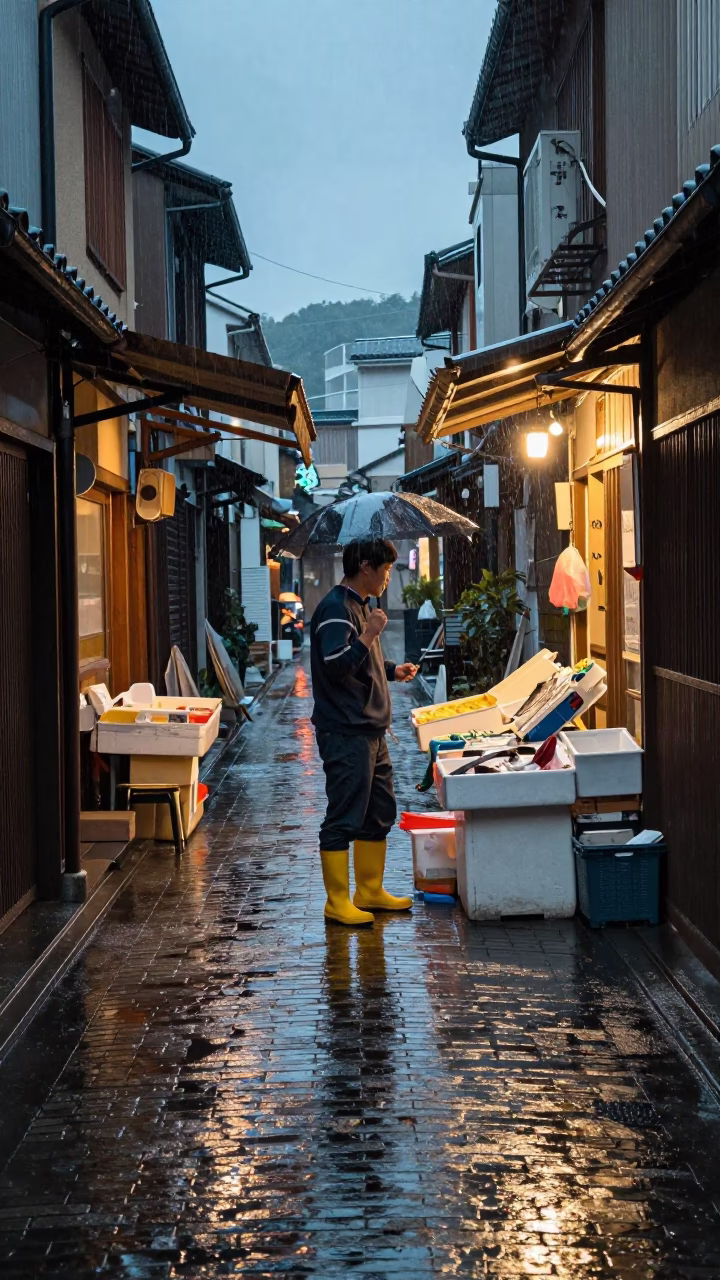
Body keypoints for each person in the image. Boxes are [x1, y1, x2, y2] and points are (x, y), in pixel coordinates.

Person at [310, 539, 418, 926]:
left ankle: (369, 891)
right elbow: (337, 666)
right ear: (367, 567)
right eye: (386, 570)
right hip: (346, 731)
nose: (388, 577)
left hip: (371, 729)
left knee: (378, 813)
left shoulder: (361, 607)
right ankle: (336, 901)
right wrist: (370, 634)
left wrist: (391, 670)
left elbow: (361, 663)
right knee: (344, 815)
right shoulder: (337, 609)